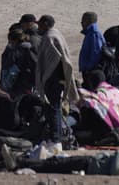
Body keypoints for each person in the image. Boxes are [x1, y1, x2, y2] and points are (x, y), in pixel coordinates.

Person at [34, 15, 79, 149]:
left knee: (53, 109)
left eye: (40, 24)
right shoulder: (56, 34)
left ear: (46, 24)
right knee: (55, 109)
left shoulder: (49, 38)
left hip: (53, 80)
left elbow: (52, 61)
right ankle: (56, 138)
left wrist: (45, 78)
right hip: (58, 80)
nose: (38, 27)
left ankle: (56, 139)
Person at [79, 11, 106, 77]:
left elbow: (96, 54)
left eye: (83, 20)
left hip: (91, 72)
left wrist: (89, 69)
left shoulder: (94, 34)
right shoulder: (90, 33)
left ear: (89, 21)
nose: (81, 23)